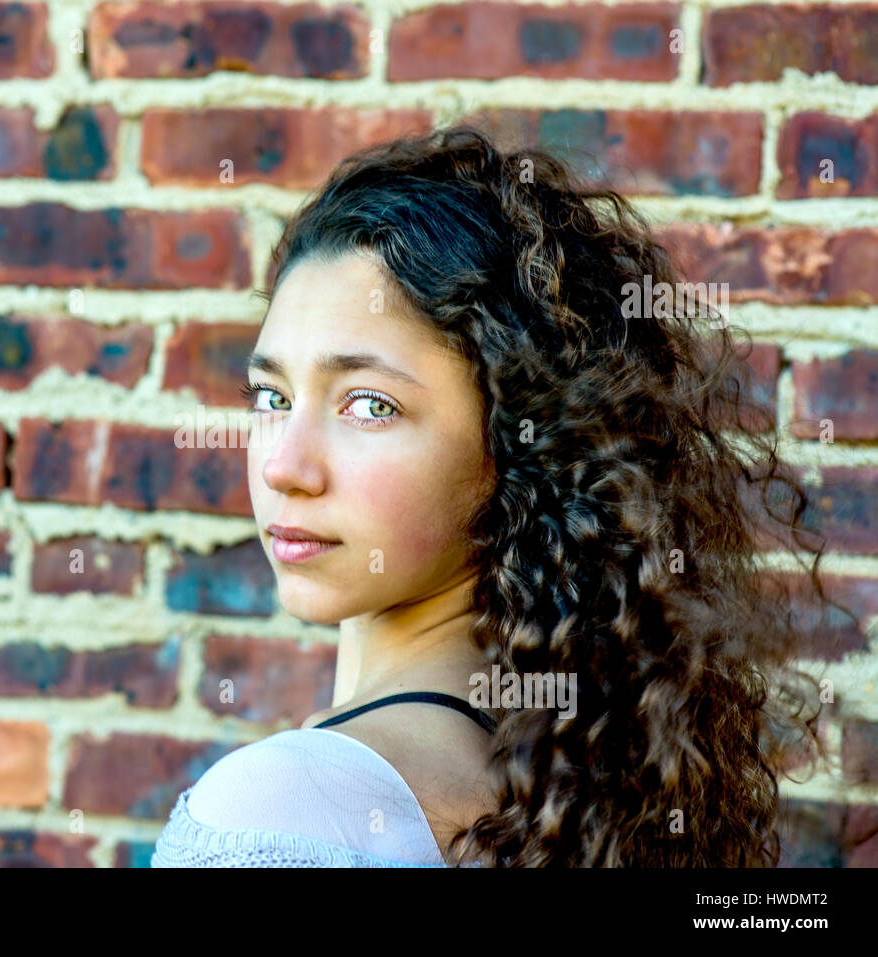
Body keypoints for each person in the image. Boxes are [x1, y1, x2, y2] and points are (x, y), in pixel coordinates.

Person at [151, 124, 855, 868]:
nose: (284, 466)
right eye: (271, 396)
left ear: (518, 442)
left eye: (369, 404)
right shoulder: (576, 784)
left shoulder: (277, 809)